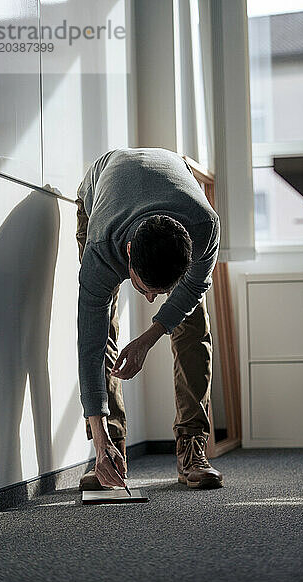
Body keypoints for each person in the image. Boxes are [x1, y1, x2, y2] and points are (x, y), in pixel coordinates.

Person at [76, 147, 223, 491]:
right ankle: (108, 451)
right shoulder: (103, 246)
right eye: (144, 288)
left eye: (160, 290)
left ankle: (192, 447)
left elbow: (193, 288)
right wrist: (98, 440)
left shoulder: (204, 226)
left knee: (194, 324)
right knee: (104, 326)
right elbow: (90, 345)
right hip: (100, 198)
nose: (151, 299)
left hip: (168, 192)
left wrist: (148, 338)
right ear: (128, 253)